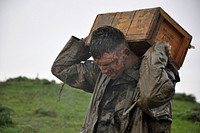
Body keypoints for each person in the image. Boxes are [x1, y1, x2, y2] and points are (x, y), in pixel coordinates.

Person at [51, 26, 180, 133]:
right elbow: (61, 67)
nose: (103, 70)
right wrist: (87, 42)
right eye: (99, 65)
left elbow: (151, 97)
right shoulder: (101, 74)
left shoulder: (157, 75)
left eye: (108, 64)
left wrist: (157, 52)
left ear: (124, 52)